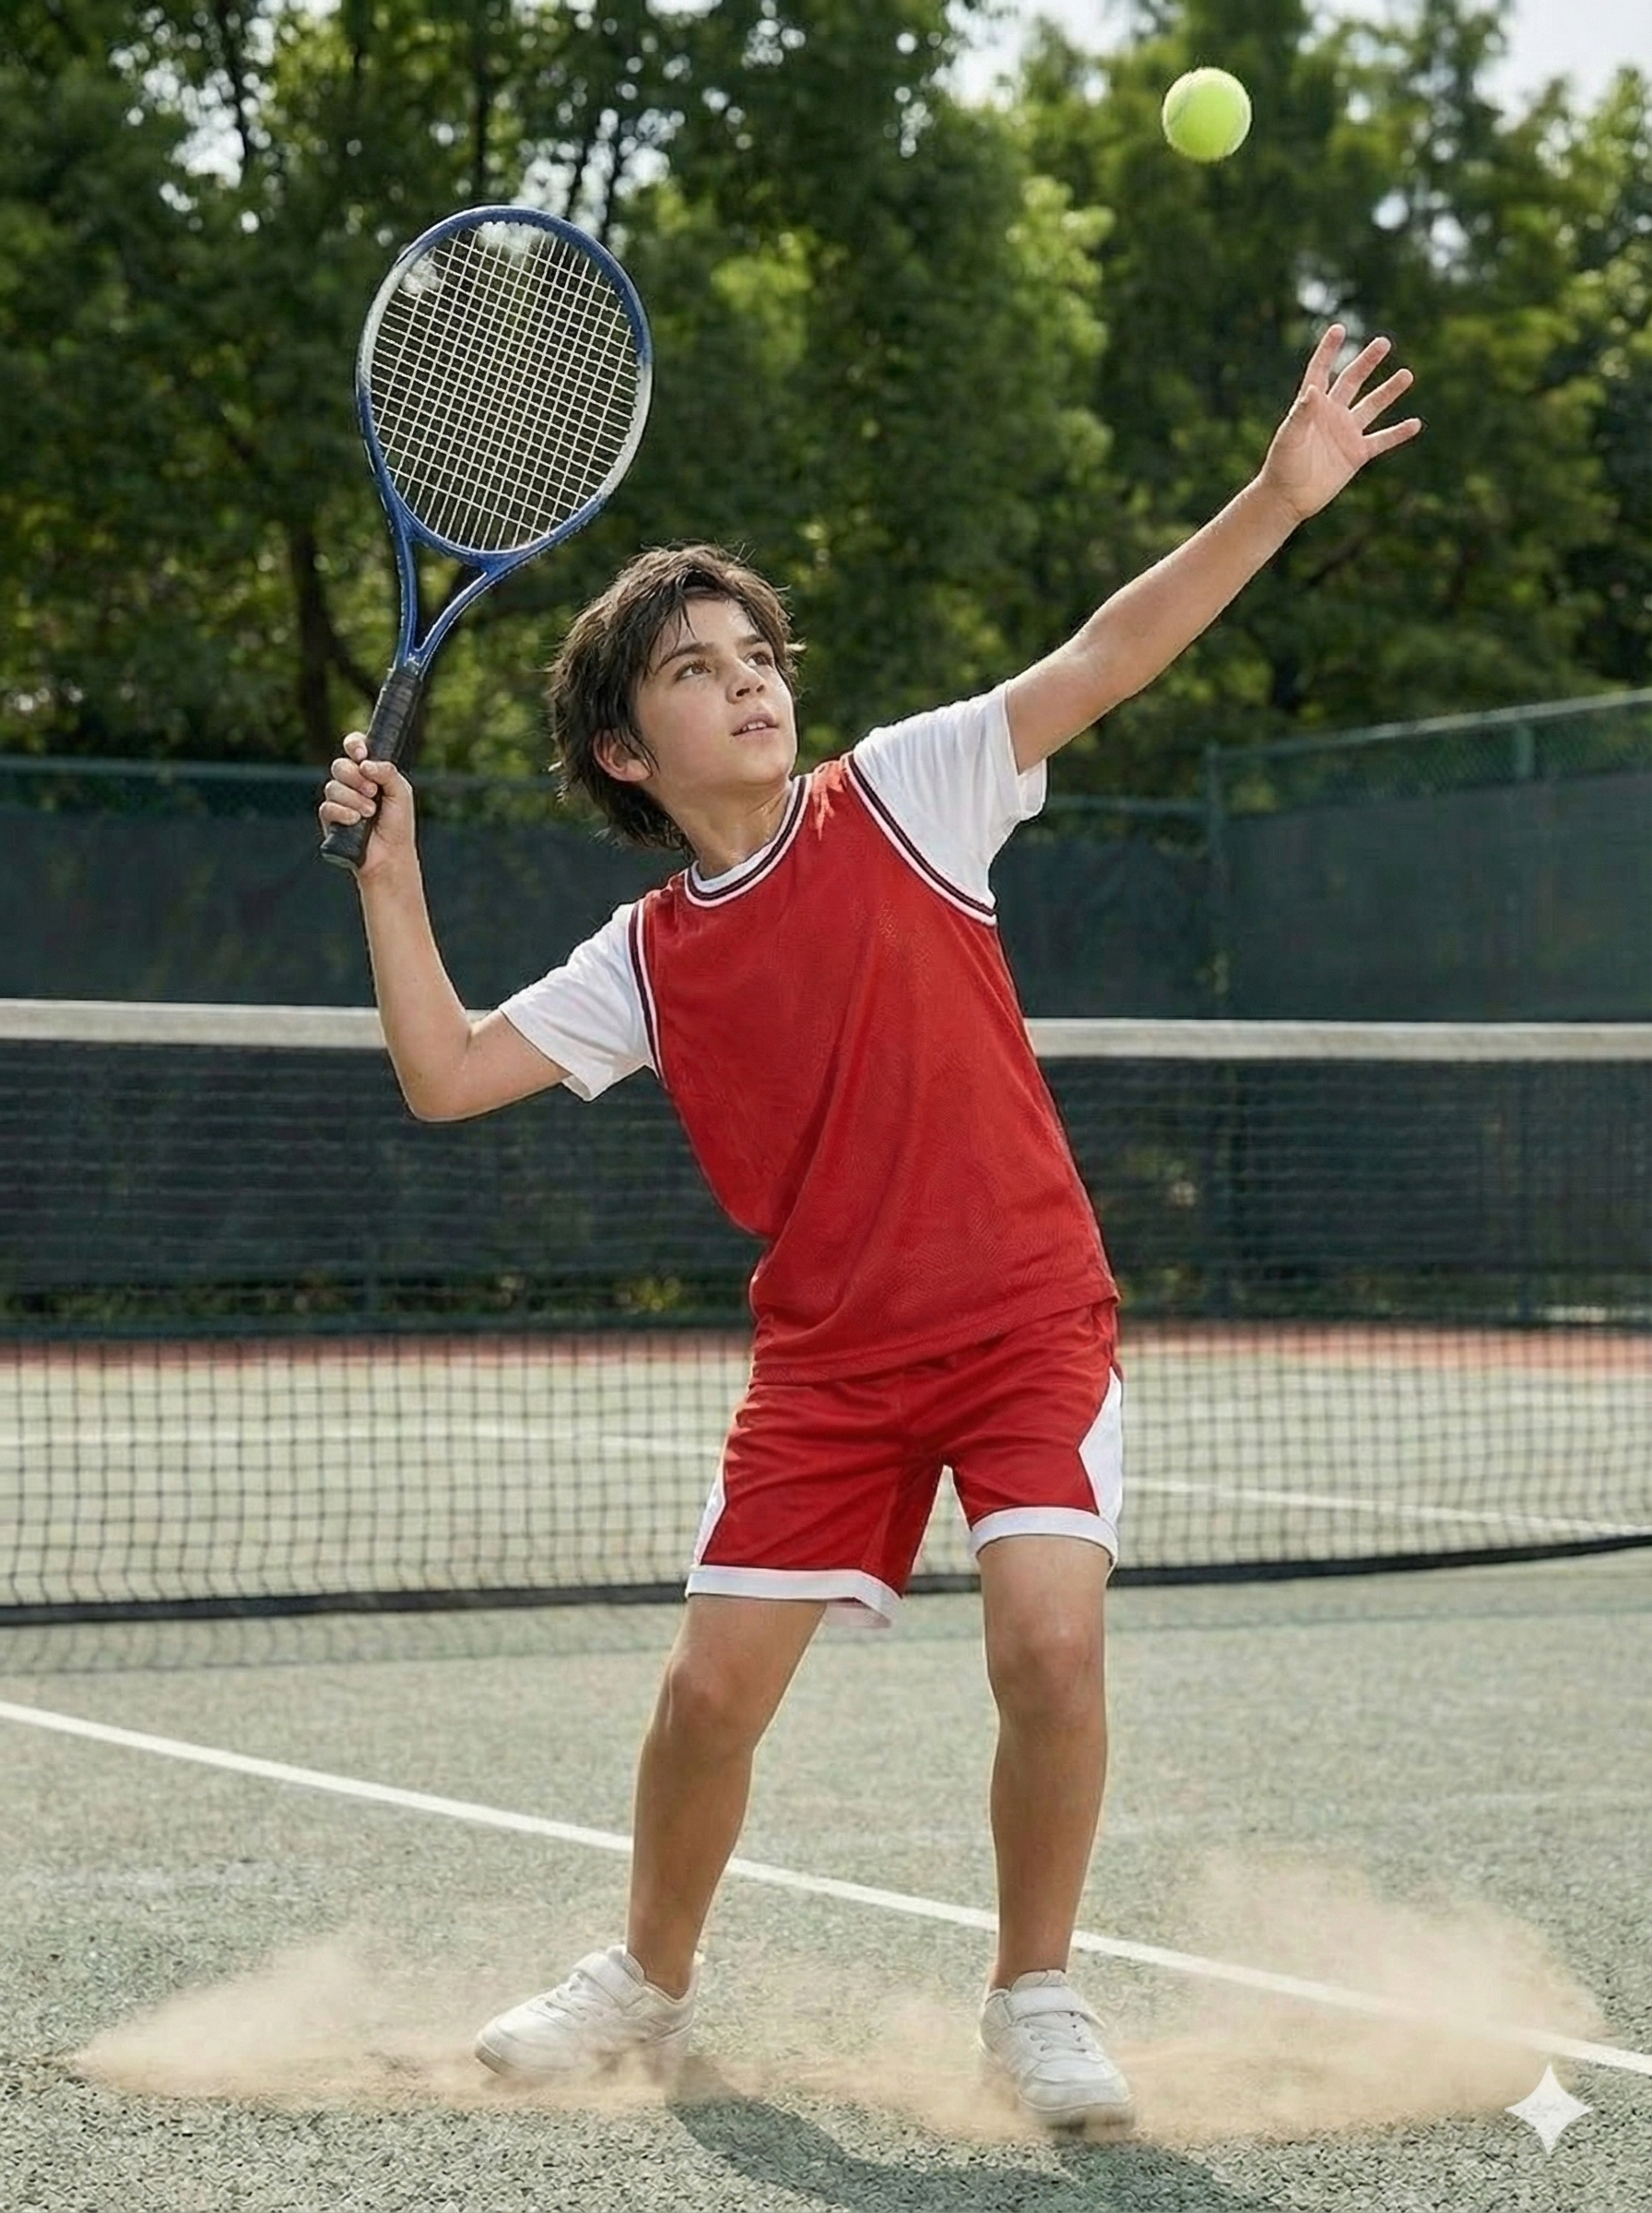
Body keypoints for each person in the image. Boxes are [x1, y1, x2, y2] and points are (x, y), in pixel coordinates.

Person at [320, 325, 1420, 2130]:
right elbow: (442, 1070)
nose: (749, 684)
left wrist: (1274, 496)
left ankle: (1030, 1991)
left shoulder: (904, 792)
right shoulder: (646, 959)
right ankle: (645, 1986)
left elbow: (1101, 652)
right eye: (696, 670)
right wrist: (392, 873)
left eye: (760, 656)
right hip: (827, 1362)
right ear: (624, 744)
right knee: (701, 1702)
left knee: (1047, 1644)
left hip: (1018, 1320)